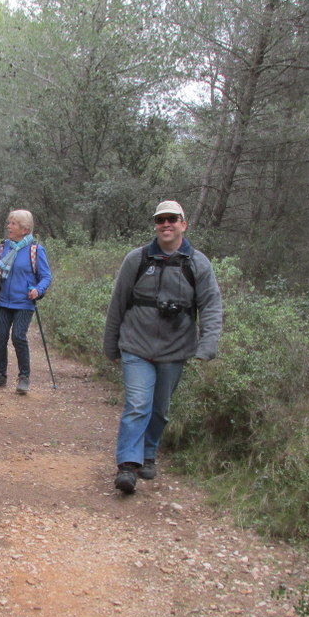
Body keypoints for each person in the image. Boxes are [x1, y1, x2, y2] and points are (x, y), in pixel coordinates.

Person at [103, 200, 223, 494]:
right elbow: (117, 303)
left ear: (184, 224)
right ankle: (127, 466)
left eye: (172, 219)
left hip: (175, 348)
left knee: (160, 410)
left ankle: (147, 454)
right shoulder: (137, 259)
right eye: (160, 220)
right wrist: (111, 346)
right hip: (136, 345)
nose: (166, 225)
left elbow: (210, 305)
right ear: (155, 225)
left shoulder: (198, 263)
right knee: (137, 405)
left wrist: (207, 345)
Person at [0, 210, 52, 394]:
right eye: (9, 223)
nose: (8, 226)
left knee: (18, 337)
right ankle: (0, 375)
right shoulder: (2, 247)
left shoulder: (35, 250)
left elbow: (46, 276)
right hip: (3, 301)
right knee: (0, 337)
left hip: (24, 302)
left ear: (24, 229)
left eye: (13, 223)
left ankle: (24, 377)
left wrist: (38, 290)